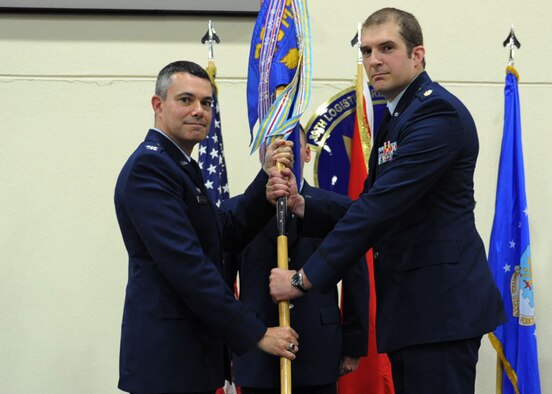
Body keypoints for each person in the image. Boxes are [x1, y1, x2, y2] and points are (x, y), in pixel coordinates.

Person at [268, 8, 507, 394]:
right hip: (417, 314)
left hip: (438, 312)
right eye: (366, 51)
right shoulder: (400, 115)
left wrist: (302, 279)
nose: (373, 60)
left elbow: (378, 209)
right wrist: (303, 204)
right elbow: (371, 204)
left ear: (417, 55)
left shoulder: (435, 113)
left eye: (386, 48)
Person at [114, 60, 299, 394]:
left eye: (206, 102)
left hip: (189, 356)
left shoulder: (179, 164)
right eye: (186, 100)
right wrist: (256, 332)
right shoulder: (151, 168)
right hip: (167, 361)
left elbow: (221, 233)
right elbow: (188, 265)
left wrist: (265, 183)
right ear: (158, 105)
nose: (199, 110)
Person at [223, 128, 369, 394]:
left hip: (319, 349)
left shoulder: (337, 208)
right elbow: (222, 284)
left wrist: (353, 345)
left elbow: (355, 279)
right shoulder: (234, 212)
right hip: (255, 352)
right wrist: (226, 349)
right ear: (262, 155)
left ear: (306, 152)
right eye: (273, 147)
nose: (283, 155)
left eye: (291, 146)